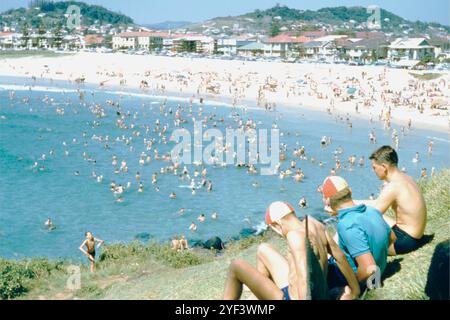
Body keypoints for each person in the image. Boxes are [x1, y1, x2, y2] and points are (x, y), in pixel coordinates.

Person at [223, 201, 360, 300]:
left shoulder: (294, 236)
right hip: (319, 294)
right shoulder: (314, 224)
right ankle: (257, 295)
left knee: (236, 266)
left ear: (277, 225)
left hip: (291, 297)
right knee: (263, 249)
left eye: (275, 230)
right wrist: (355, 291)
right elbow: (340, 257)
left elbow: (303, 278)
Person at [322, 176, 393, 290]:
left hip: (359, 279)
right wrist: (378, 251)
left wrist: (354, 286)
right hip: (381, 270)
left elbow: (369, 268)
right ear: (350, 191)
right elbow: (392, 238)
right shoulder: (371, 210)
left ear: (327, 201)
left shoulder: (347, 225)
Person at [358, 146, 427, 255]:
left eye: (374, 167)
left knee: (358, 237)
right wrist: (350, 202)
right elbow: (377, 203)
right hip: (417, 235)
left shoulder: (393, 187)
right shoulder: (407, 178)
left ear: (384, 167)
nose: (373, 171)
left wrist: (345, 212)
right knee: (368, 212)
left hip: (405, 241)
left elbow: (371, 216)